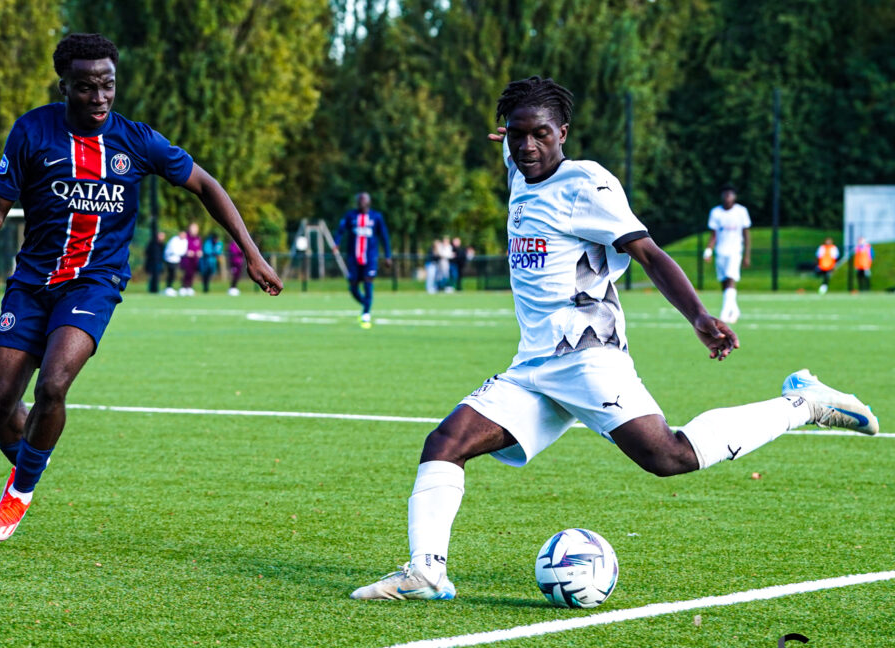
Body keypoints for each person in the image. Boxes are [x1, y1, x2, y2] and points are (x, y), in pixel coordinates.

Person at [350, 76, 879, 601]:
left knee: (669, 456)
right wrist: (510, 136)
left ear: (563, 133)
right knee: (446, 443)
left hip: (587, 356)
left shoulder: (586, 185)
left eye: (540, 134)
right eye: (516, 135)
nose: (527, 146)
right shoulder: (519, 166)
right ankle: (426, 572)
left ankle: (805, 403)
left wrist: (698, 316)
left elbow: (648, 252)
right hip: (534, 364)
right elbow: (516, 146)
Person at [0, 33, 282, 543]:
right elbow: (0, 206)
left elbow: (206, 185)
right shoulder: (32, 131)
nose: (100, 97)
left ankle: (18, 495)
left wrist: (252, 252)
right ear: (65, 85)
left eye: (107, 85)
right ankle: (29, 465)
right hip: (31, 284)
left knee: (54, 385)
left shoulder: (137, 140)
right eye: (86, 87)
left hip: (94, 284)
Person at [332, 192, 392, 328]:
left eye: (363, 200)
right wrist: (336, 242)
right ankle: (366, 303)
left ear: (369, 202)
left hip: (370, 257)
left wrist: (388, 255)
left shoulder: (376, 217)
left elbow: (384, 237)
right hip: (353, 258)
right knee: (353, 286)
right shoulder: (351, 216)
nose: (361, 203)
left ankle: (366, 314)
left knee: (368, 282)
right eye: (359, 200)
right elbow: (341, 230)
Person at [704, 184, 751, 323]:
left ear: (734, 196)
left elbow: (746, 234)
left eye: (730, 194)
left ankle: (724, 313)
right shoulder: (716, 213)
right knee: (724, 282)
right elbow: (713, 235)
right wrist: (708, 250)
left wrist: (747, 255)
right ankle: (735, 310)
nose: (727, 197)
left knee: (731, 279)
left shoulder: (741, 211)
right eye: (725, 194)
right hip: (721, 251)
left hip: (735, 251)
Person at [178, 221, 202, 296]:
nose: (194, 230)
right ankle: (183, 287)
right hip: (186, 259)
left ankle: (189, 287)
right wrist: (187, 252)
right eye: (192, 228)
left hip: (195, 259)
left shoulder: (198, 238)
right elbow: (181, 246)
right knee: (186, 273)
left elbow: (199, 248)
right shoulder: (186, 237)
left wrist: (199, 252)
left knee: (192, 273)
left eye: (195, 228)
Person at [163, 229, 188, 295]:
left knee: (177, 274)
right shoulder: (174, 240)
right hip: (170, 259)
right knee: (171, 274)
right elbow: (173, 250)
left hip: (177, 260)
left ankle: (181, 288)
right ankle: (168, 288)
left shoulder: (185, 241)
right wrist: (180, 253)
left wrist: (180, 253)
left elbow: (183, 251)